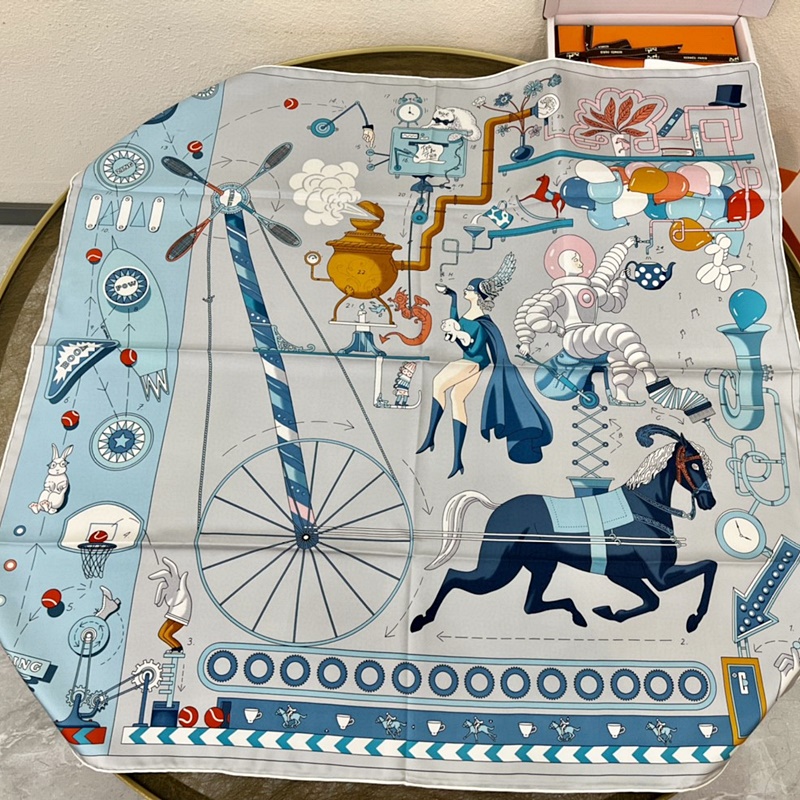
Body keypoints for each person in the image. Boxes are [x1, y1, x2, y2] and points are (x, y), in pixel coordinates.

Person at [514, 236, 712, 420]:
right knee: (619, 332)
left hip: (592, 339)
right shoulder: (560, 292)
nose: (580, 262)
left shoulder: (592, 289)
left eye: (579, 258)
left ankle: (621, 394)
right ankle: (652, 378)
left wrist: (622, 275)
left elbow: (611, 286)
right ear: (562, 265)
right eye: (574, 259)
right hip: (574, 337)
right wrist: (550, 332)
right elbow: (532, 315)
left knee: (620, 352)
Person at [417, 253, 552, 477]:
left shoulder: (482, 322)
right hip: (471, 362)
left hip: (473, 362)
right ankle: (457, 459)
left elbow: (472, 347)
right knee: (457, 398)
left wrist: (456, 333)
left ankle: (430, 436)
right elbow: (456, 319)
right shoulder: (469, 315)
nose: (466, 291)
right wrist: (451, 296)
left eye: (469, 289)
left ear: (477, 295)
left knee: (438, 382)